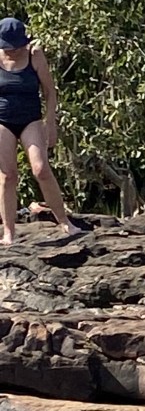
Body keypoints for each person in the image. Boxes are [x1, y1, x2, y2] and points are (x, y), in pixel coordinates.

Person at [0, 16, 81, 245]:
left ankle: (64, 222)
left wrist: (50, 122)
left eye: (16, 46)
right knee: (8, 175)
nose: (12, 51)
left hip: (30, 118)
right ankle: (8, 232)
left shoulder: (34, 55)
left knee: (41, 169)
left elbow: (49, 92)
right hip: (2, 120)